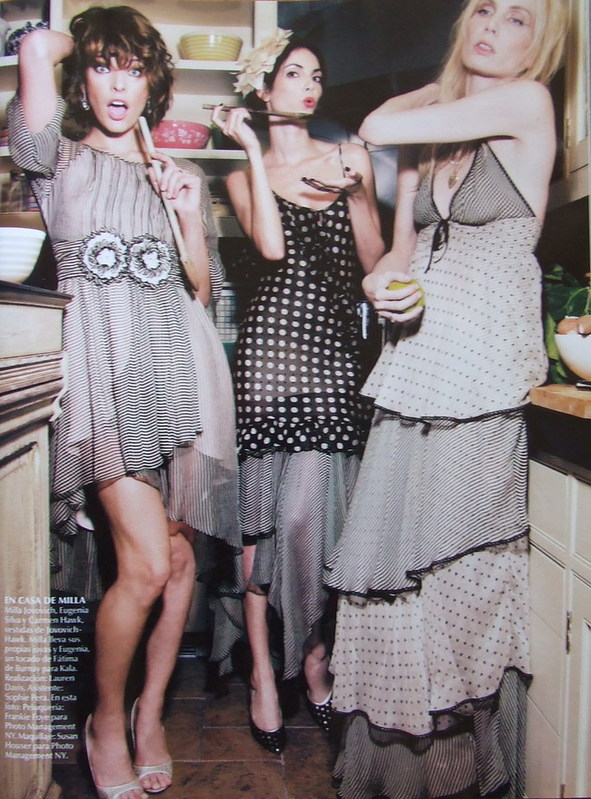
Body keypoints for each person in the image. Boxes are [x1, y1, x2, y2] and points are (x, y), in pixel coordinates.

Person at [323, 1, 568, 797]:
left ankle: (463, 776)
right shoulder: (433, 142)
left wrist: (440, 84)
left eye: (519, 18)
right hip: (411, 372)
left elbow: (373, 123)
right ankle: (404, 778)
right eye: (484, 10)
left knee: (458, 579)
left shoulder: (526, 104)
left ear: (544, 42)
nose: (493, 27)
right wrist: (380, 285)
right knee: (397, 581)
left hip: (481, 378)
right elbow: (397, 253)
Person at [8, 7, 241, 799]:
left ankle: (149, 718)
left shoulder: (175, 173)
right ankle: (105, 721)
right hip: (102, 381)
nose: (118, 85)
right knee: (142, 563)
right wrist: (85, 38)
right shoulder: (57, 158)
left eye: (134, 70)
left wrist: (186, 211)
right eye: (103, 67)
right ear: (82, 78)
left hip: (177, 376)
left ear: (154, 85)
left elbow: (200, 292)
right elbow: (36, 48)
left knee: (178, 562)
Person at [211, 30, 384, 753]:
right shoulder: (239, 173)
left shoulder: (349, 158)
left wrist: (358, 192)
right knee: (259, 530)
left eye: (317, 75)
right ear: (263, 88)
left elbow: (373, 265)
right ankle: (262, 673)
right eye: (294, 73)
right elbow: (271, 247)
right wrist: (252, 150)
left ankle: (313, 655)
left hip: (333, 359)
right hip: (268, 360)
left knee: (312, 520)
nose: (310, 86)